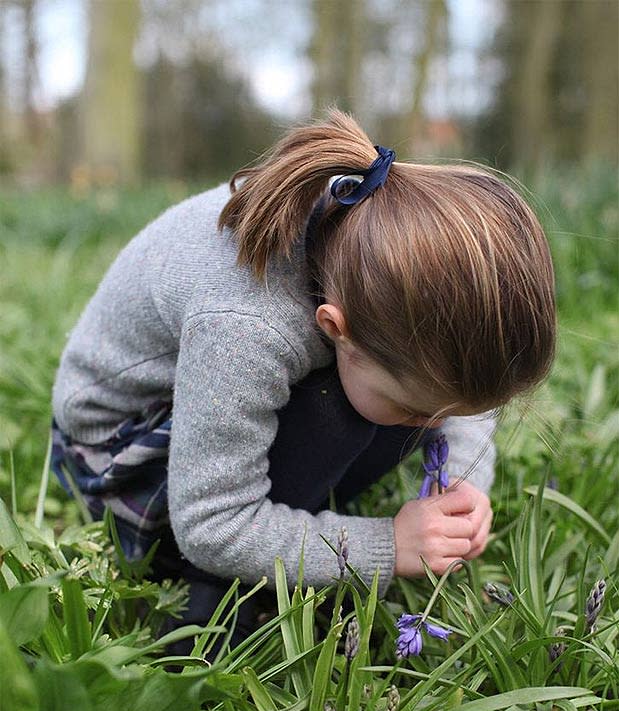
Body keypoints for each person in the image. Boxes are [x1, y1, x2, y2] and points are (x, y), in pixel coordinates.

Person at [51, 110, 556, 646]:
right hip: (117, 452)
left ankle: (300, 511)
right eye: (421, 409)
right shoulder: (249, 326)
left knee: (380, 407)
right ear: (336, 328)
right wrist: (387, 546)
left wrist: (459, 484)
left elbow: (462, 396)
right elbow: (212, 523)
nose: (434, 428)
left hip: (225, 395)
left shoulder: (381, 269)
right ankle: (212, 600)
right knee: (339, 414)